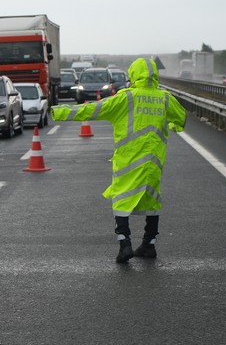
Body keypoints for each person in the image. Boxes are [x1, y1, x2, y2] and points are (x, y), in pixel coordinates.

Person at [51, 57, 187, 263]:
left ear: (134, 75)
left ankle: (125, 244)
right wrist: (173, 126)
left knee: (121, 200)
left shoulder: (126, 98)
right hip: (154, 161)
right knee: (152, 199)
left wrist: (59, 111)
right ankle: (149, 244)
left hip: (128, 160)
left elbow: (93, 109)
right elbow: (181, 118)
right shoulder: (165, 98)